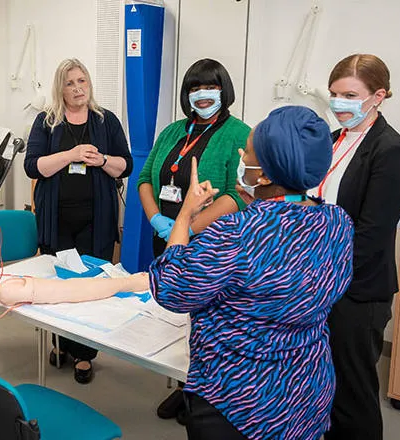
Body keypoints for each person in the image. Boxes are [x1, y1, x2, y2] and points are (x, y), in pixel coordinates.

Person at [150, 105, 354, 440]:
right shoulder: (337, 224)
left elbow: (170, 287)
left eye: (248, 150)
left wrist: (186, 214)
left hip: (239, 401)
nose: (241, 154)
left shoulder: (237, 232)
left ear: (265, 176)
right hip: (306, 393)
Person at [137, 58, 250, 421]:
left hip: (211, 244)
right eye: (195, 88)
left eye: (211, 87)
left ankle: (203, 394)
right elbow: (143, 178)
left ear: (224, 91)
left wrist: (189, 225)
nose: (202, 94)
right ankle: (182, 383)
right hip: (166, 239)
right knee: (174, 316)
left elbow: (239, 193)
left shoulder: (239, 134)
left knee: (208, 324)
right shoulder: (172, 132)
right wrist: (157, 219)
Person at [320, 54, 400, 440]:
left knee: (353, 395)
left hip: (357, 292)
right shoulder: (332, 140)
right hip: (321, 281)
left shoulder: (390, 151)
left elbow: (370, 238)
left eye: (348, 95)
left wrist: (320, 276)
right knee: (324, 387)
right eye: (333, 94)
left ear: (378, 96)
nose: (338, 103)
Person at [24, 58, 133, 384]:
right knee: (59, 286)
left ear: (89, 85)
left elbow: (124, 165)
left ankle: (84, 354)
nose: (77, 88)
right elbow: (33, 166)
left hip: (94, 221)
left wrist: (100, 159)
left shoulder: (106, 121)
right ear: (61, 88)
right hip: (57, 221)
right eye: (70, 83)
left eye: (82, 81)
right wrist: (70, 156)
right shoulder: (46, 122)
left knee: (89, 287)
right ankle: (60, 341)